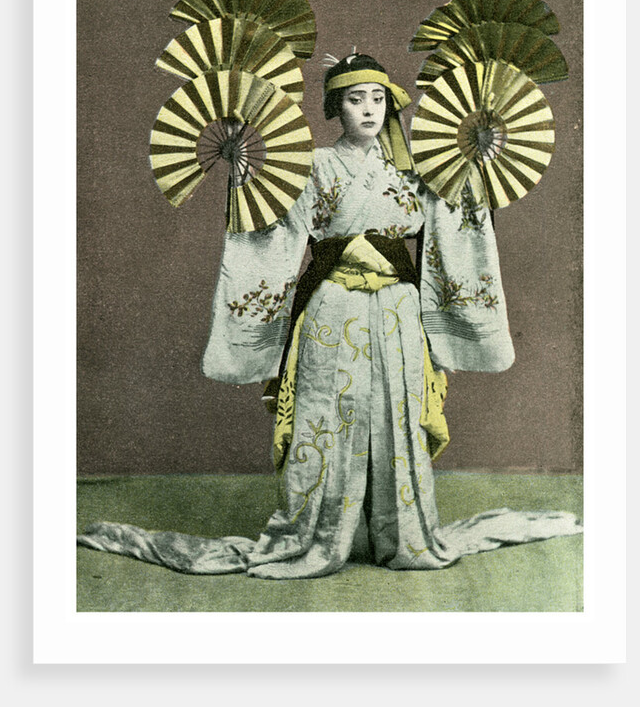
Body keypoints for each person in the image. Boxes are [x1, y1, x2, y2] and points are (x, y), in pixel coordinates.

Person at [78, 53, 582, 578]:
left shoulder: (415, 167)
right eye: (355, 99)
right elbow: (273, 230)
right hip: (332, 305)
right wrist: (246, 171)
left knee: (398, 415)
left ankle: (402, 536)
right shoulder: (312, 164)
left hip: (398, 307)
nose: (368, 109)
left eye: (378, 98)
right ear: (335, 108)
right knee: (325, 416)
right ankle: (316, 537)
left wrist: (469, 162)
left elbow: (451, 221)